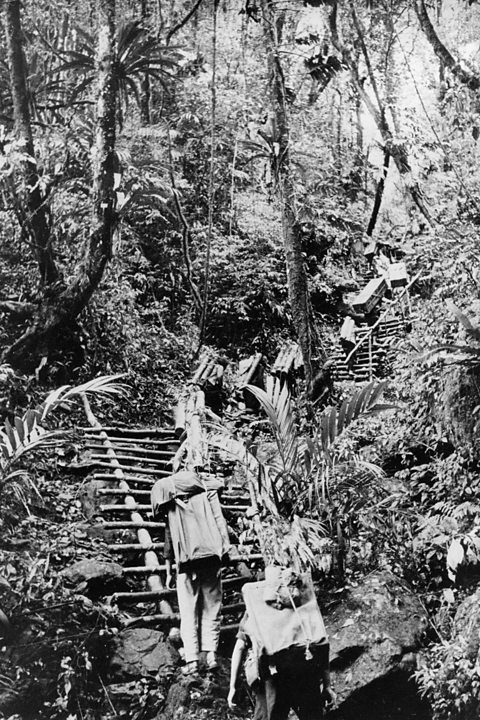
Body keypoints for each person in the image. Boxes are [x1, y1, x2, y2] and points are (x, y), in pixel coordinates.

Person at [151, 468, 230, 675]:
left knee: (188, 611)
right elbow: (220, 522)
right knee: (212, 608)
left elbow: (169, 539)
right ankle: (210, 654)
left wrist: (168, 571)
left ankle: (193, 660)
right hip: (211, 559)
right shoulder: (208, 492)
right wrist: (225, 551)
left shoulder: (171, 500)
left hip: (186, 563)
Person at [227, 572, 336, 720]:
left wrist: (232, 686)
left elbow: (239, 648)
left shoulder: (256, 612)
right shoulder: (302, 608)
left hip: (273, 677)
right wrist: (327, 685)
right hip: (305, 672)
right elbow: (322, 645)